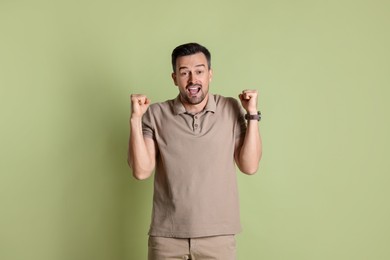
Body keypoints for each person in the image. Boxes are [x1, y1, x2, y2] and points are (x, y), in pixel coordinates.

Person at [128, 42, 262, 260]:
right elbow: (141, 171)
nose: (192, 80)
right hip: (167, 237)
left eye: (199, 71)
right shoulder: (155, 114)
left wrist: (252, 114)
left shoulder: (230, 108)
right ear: (174, 78)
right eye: (184, 73)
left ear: (210, 74)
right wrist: (135, 119)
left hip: (218, 236)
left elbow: (250, 166)